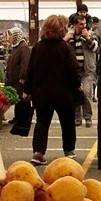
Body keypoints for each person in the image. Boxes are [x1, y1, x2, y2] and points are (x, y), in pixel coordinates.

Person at [25, 15, 80, 165]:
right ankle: (69, 151)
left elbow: (30, 70)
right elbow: (73, 70)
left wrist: (27, 90)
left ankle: (38, 153)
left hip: (41, 93)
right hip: (63, 94)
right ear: (61, 29)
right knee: (67, 122)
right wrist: (77, 85)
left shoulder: (38, 47)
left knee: (42, 122)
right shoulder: (65, 48)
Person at [65, 14, 99, 127]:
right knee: (75, 93)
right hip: (73, 71)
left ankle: (88, 117)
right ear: (74, 25)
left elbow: (96, 49)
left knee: (86, 92)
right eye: (80, 24)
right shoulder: (69, 35)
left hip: (87, 70)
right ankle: (77, 117)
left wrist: (88, 39)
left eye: (84, 24)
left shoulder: (90, 34)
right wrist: (66, 39)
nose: (83, 26)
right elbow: (61, 49)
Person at [4, 27, 30, 126]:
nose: (9, 37)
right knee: (18, 99)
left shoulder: (23, 47)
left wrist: (23, 77)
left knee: (23, 99)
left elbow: (25, 63)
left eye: (10, 35)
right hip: (14, 79)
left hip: (20, 79)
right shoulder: (16, 47)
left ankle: (24, 118)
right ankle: (18, 117)